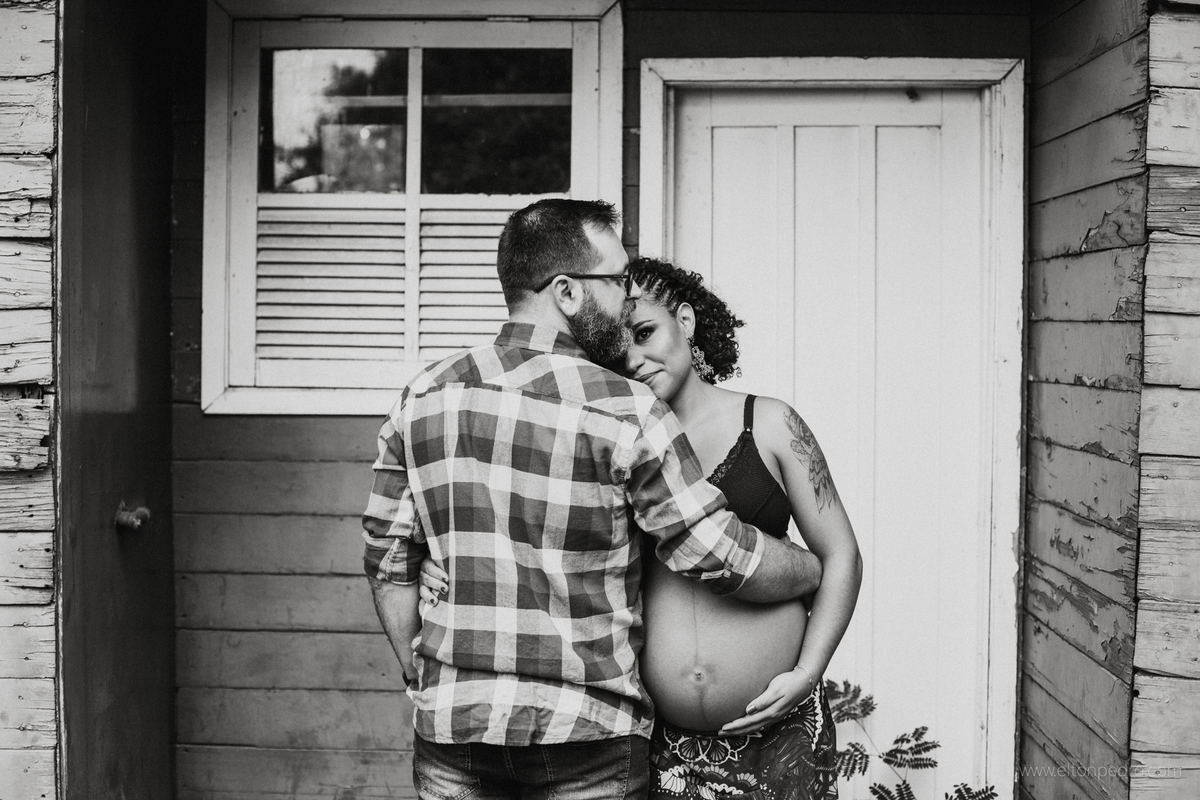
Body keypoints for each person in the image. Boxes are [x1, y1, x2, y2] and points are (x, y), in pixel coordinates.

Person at [362, 199, 824, 800]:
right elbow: (717, 553)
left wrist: (417, 671)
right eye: (617, 278)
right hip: (588, 735)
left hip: (455, 727)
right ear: (567, 291)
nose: (625, 293)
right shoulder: (626, 410)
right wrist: (810, 567)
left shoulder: (423, 395)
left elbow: (387, 560)